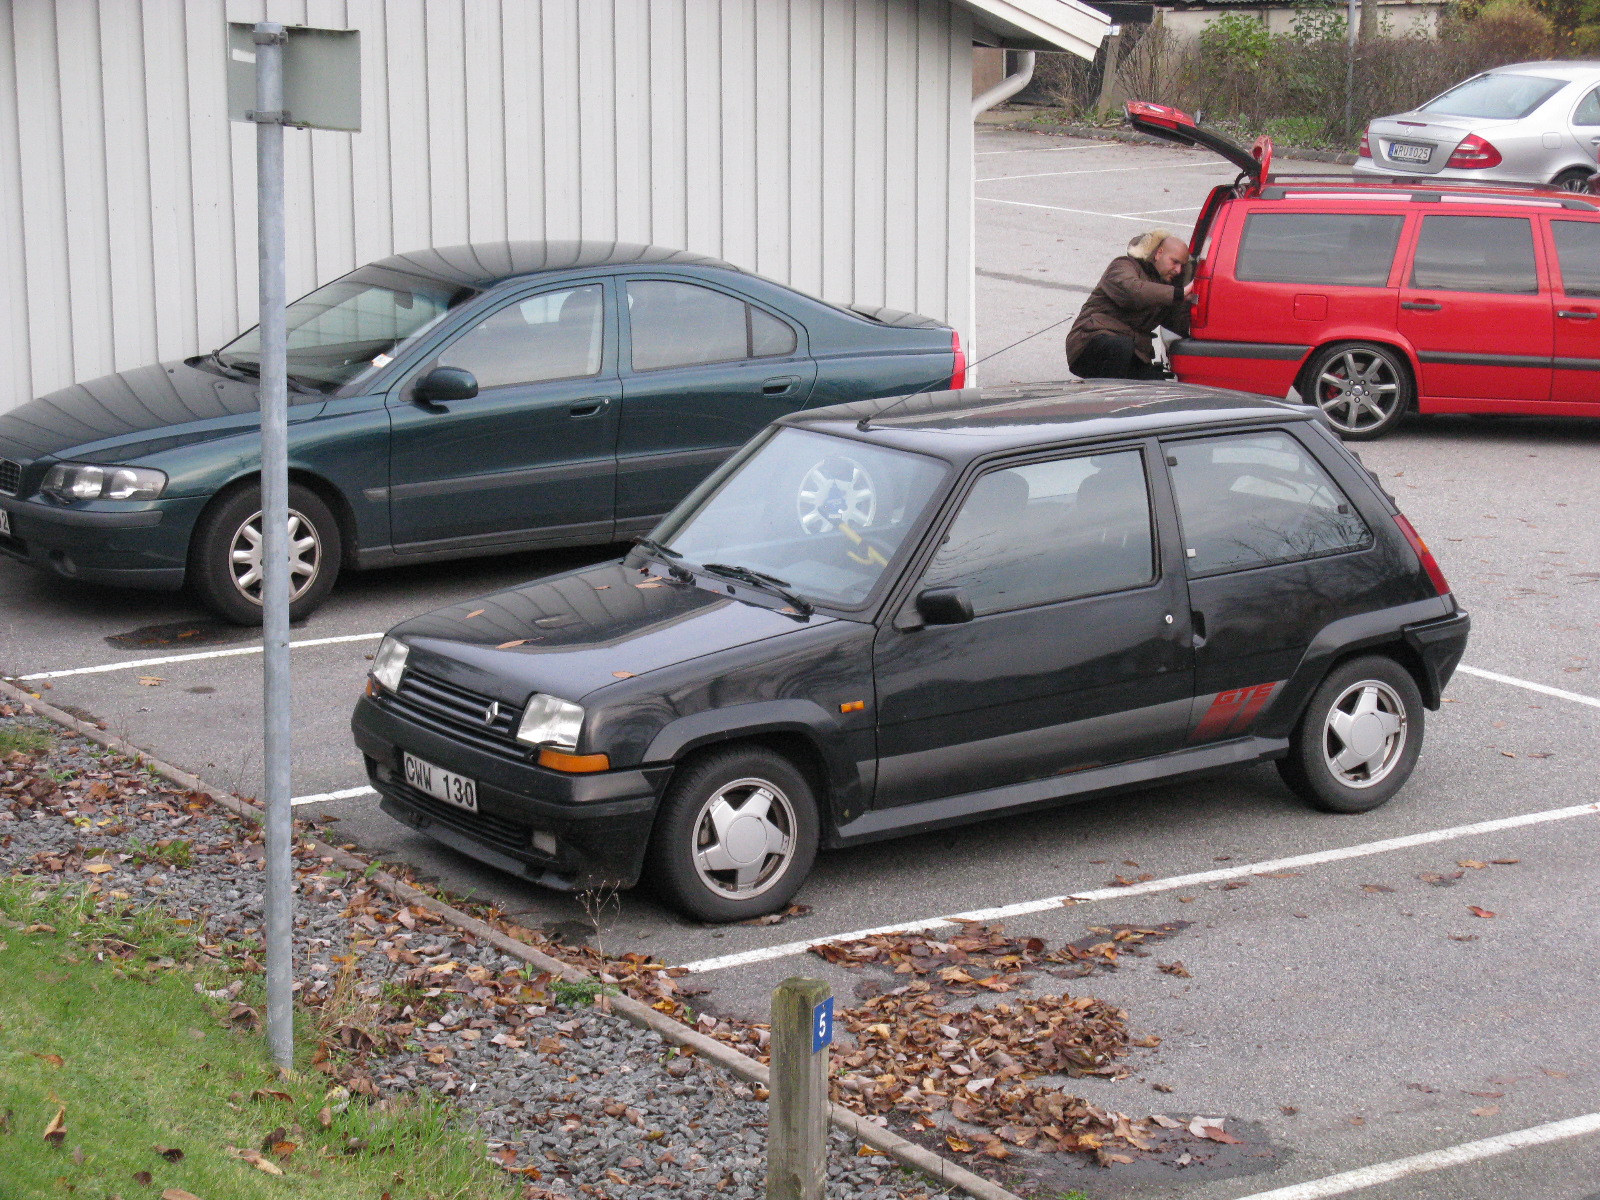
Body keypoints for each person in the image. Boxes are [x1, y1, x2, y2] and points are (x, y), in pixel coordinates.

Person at [1065, 229, 1191, 381]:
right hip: (1089, 343)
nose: (1178, 270)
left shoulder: (1167, 286)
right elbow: (1133, 292)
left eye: (1182, 266)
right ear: (1159, 253)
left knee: (1156, 385)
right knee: (1120, 346)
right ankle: (1108, 398)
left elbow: (1179, 323)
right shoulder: (1122, 265)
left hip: (1131, 352)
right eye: (1175, 262)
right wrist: (1178, 293)